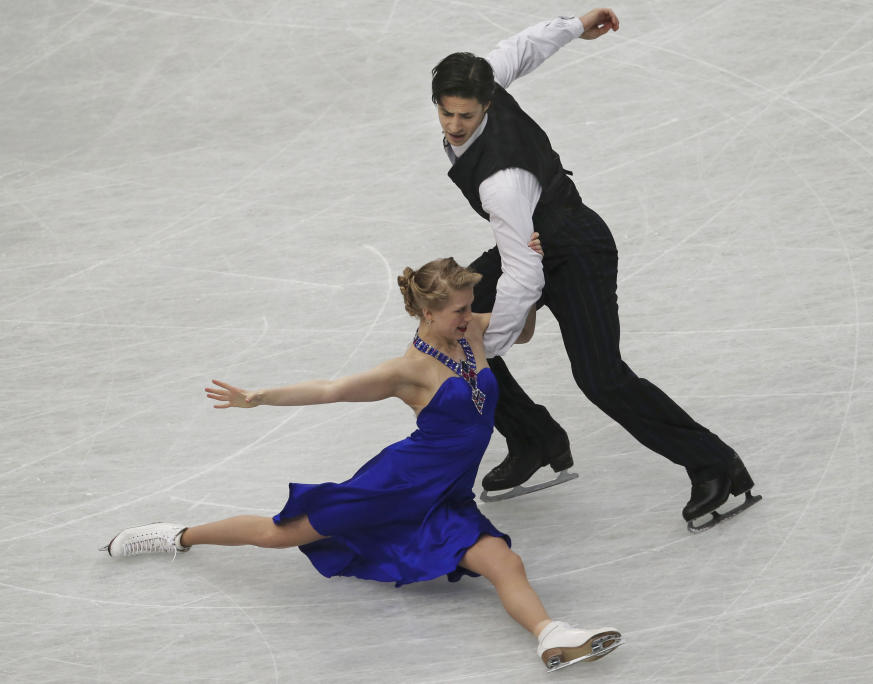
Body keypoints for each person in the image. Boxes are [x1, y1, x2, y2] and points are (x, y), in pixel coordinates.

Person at [100, 251, 622, 672]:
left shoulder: (472, 333)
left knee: (504, 561)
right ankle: (176, 535)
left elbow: (521, 329)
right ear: (427, 314)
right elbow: (331, 389)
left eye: (470, 306)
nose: (470, 315)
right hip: (395, 485)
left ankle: (552, 637)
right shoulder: (409, 370)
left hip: (447, 494)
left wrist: (527, 285)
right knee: (280, 534)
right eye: (460, 309)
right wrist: (259, 397)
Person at [432, 8, 758, 525]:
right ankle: (535, 437)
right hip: (534, 241)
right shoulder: (484, 81)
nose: (454, 126)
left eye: (465, 117)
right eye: (446, 113)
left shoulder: (503, 181)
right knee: (447, 326)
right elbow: (521, 47)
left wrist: (487, 342)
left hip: (576, 250)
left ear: (486, 105)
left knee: (600, 378)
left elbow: (523, 275)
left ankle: (716, 463)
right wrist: (577, 25)